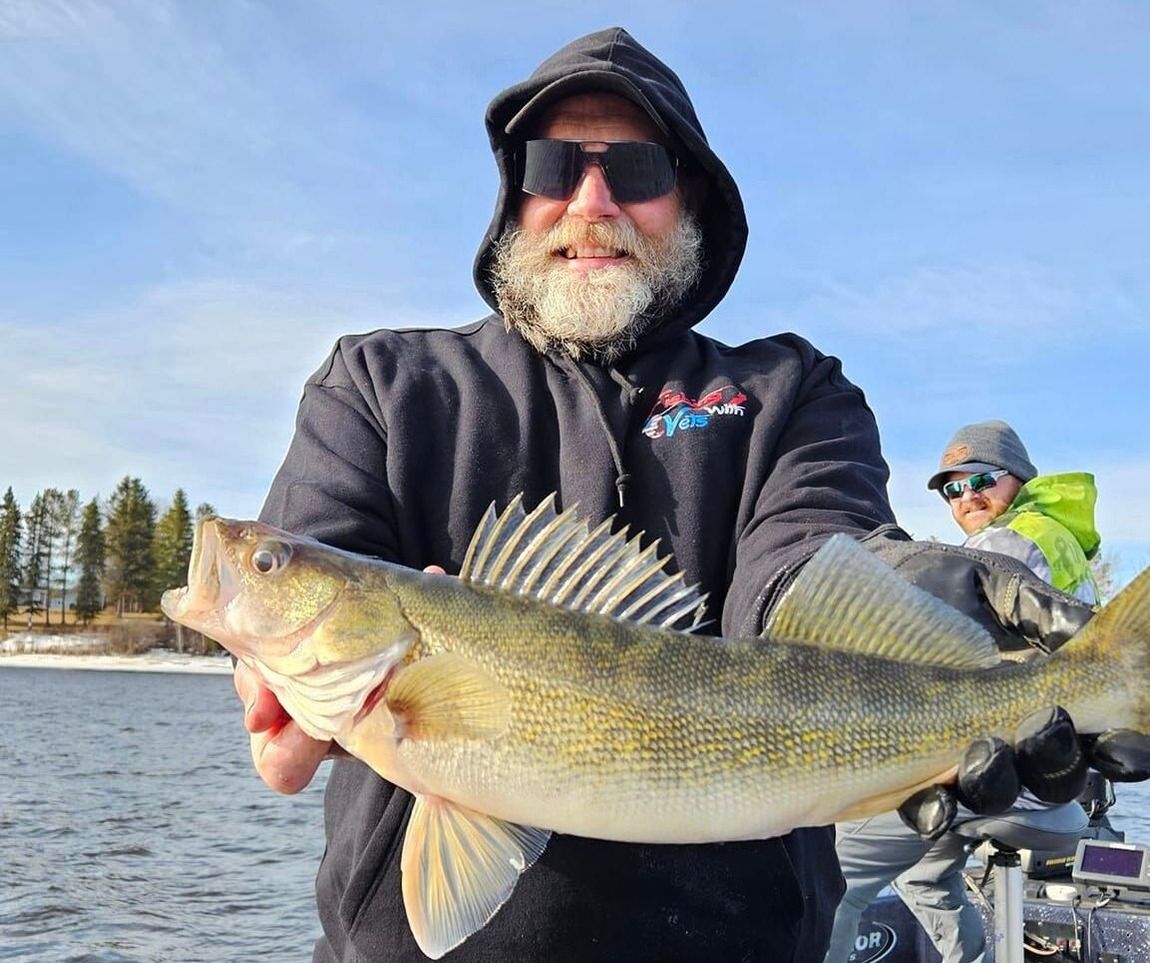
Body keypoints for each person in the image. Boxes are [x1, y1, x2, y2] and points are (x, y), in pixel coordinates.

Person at [233, 29, 1146, 962]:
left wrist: (921, 586)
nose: (592, 202)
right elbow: (316, 553)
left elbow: (804, 562)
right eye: (553, 165)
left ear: (693, 199)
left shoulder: (793, 391)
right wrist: (275, 674)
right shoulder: (381, 383)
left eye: (636, 168)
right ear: (515, 195)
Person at [823, 420, 1100, 963]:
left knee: (828, 880)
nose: (967, 495)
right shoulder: (1058, 536)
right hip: (1059, 791)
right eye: (953, 488)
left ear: (1019, 478)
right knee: (925, 876)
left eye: (983, 480)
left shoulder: (1005, 543)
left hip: (999, 773)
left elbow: (924, 644)